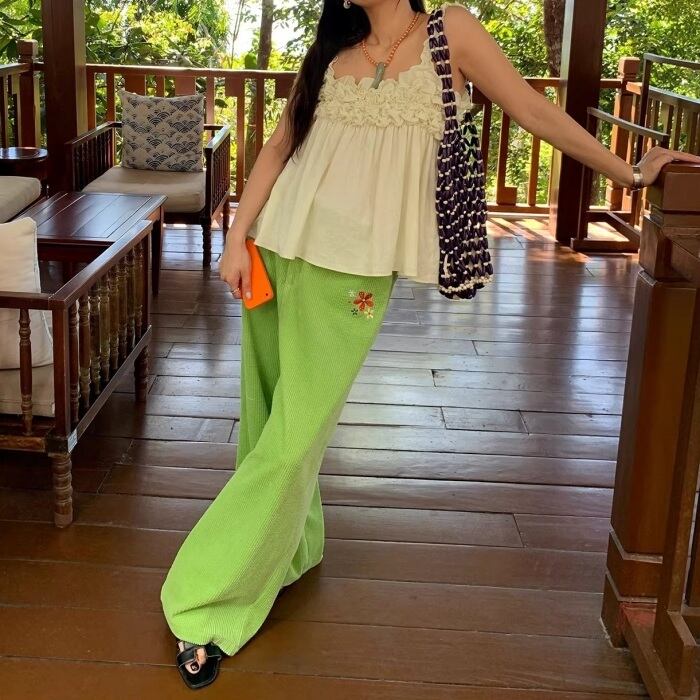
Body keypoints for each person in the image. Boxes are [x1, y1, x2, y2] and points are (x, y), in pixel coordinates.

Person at [160, 0, 700, 688]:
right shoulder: (336, 44)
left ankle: (205, 602)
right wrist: (237, 237)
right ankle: (291, 546)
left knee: (294, 437)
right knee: (269, 417)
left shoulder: (450, 31)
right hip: (275, 247)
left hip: (353, 271)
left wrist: (631, 174)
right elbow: (279, 144)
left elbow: (533, 111)